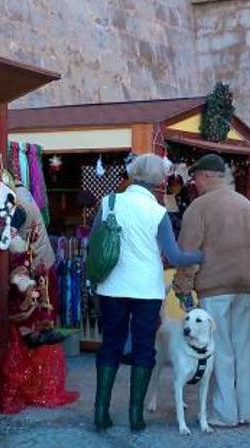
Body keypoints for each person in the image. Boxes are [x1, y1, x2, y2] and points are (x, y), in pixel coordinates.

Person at [93, 153, 203, 433]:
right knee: (144, 348)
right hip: (146, 290)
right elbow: (175, 256)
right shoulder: (157, 212)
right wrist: (202, 254)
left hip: (111, 287)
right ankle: (135, 415)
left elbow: (93, 243)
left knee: (111, 345)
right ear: (158, 181)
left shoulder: (109, 202)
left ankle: (101, 412)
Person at [173, 154, 250, 427]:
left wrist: (183, 287)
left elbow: (188, 253)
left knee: (220, 350)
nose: (195, 183)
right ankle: (245, 410)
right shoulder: (245, 204)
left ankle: (225, 413)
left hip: (215, 287)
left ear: (206, 175)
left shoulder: (199, 208)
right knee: (244, 350)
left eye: (196, 177)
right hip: (243, 286)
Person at [0, 183, 79, 413]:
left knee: (35, 325)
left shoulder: (15, 204)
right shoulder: (24, 194)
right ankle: (41, 384)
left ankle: (36, 385)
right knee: (43, 323)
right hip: (41, 266)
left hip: (34, 270)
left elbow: (13, 237)